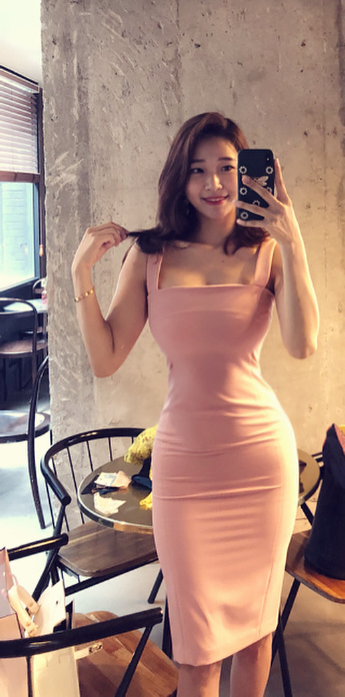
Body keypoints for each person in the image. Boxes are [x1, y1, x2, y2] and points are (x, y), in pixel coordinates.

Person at [71, 112, 319, 697]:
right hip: (185, 472)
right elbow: (106, 357)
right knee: (197, 653)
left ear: (247, 174)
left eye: (227, 168)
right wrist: (80, 272)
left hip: (260, 463)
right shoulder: (151, 255)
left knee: (257, 637)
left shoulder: (268, 250)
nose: (214, 183)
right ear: (179, 178)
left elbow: (303, 344)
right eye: (198, 170)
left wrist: (293, 240)